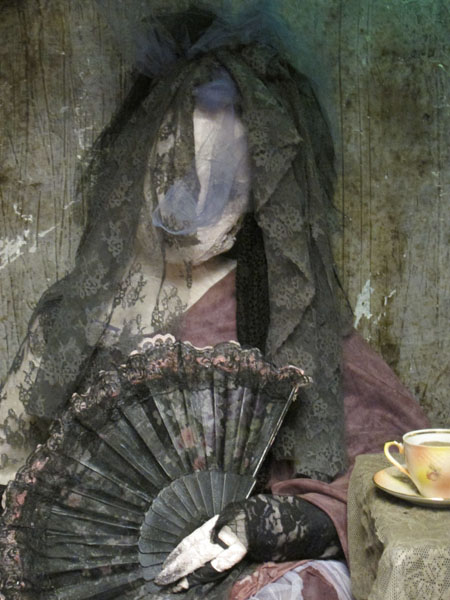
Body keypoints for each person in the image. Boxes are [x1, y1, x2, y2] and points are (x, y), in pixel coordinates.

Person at [0, 7, 428, 600]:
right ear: (136, 161)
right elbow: (14, 467)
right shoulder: (75, 317)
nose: (190, 209)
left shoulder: (285, 314)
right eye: (172, 173)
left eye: (225, 185)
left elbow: (386, 466)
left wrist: (261, 526)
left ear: (262, 198)